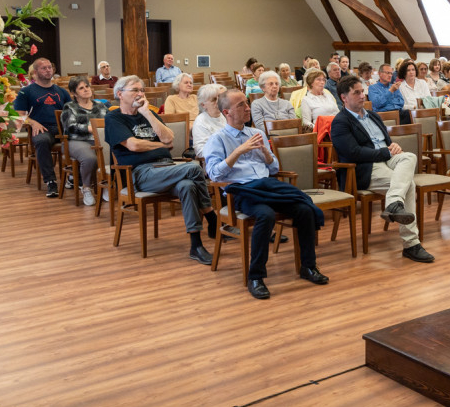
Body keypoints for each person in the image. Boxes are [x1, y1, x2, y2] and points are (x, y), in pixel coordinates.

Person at [203, 89, 329, 300]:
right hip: (243, 192)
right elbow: (214, 174)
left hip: (267, 187)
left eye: (247, 103)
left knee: (305, 209)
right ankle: (256, 277)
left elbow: (274, 168)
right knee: (265, 215)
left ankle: (308, 266)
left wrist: (264, 153)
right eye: (241, 105)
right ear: (226, 112)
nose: (247, 108)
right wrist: (238, 151)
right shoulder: (217, 139)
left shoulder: (257, 133)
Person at [105, 75, 218, 265]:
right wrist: (160, 146)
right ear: (119, 94)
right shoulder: (114, 118)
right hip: (140, 173)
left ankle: (196, 245)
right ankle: (212, 219)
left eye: (142, 90)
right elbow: (133, 145)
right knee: (193, 168)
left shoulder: (149, 113)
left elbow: (169, 138)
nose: (140, 94)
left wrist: (147, 114)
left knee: (188, 186)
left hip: (166, 168)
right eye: (135, 90)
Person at [331, 75, 434, 263]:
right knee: (409, 185)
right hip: (365, 167)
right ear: (344, 97)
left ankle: (393, 203)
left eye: (362, 92)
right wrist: (384, 152)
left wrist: (393, 146)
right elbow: (353, 152)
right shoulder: (340, 122)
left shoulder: (373, 116)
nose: (362, 96)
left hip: (387, 158)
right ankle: (411, 244)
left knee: (409, 156)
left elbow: (385, 142)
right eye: (356, 93)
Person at [13, 58, 71, 197]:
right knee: (42, 141)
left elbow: (71, 111)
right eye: (43, 68)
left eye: (49, 67)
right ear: (35, 72)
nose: (48, 70)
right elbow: (18, 115)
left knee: (81, 139)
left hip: (62, 128)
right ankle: (51, 181)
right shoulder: (26, 92)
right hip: (42, 128)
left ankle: (74, 177)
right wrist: (33, 123)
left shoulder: (62, 91)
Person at [59, 76, 107, 205]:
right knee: (90, 158)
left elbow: (109, 121)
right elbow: (70, 127)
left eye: (87, 86)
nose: (86, 89)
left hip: (98, 140)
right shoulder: (69, 107)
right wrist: (90, 128)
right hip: (75, 141)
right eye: (81, 88)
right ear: (74, 93)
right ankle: (86, 188)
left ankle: (106, 184)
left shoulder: (100, 105)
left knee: (116, 152)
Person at [191, 83, 227, 157]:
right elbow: (200, 151)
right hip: (216, 160)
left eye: (220, 98)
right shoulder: (200, 121)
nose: (219, 102)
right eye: (214, 99)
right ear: (203, 105)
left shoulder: (226, 115)